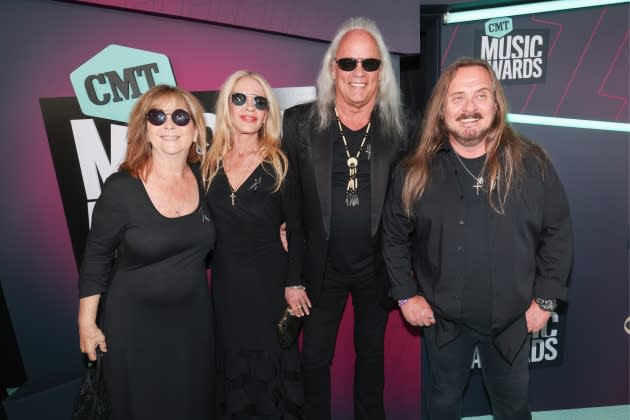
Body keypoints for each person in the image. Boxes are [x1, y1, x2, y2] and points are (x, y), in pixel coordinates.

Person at [382, 57, 573, 420]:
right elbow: (393, 237)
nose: (469, 108)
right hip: (444, 322)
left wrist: (546, 299)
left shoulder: (532, 164)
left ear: (496, 103)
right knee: (442, 404)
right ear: (442, 109)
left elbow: (558, 232)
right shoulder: (415, 172)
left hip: (512, 320)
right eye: (457, 97)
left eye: (480, 95)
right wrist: (405, 296)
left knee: (513, 408)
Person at [282, 17, 415, 420]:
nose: (359, 73)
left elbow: (418, 199)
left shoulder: (404, 125)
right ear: (332, 68)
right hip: (321, 268)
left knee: (372, 358)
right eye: (349, 63)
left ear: (381, 73)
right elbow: (288, 202)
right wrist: (291, 273)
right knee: (314, 359)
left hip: (377, 268)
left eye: (370, 64)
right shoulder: (299, 123)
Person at [77, 85, 215, 420]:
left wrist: (280, 231)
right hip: (134, 328)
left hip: (193, 324)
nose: (169, 124)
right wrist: (87, 322)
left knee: (193, 405)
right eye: (158, 116)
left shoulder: (206, 179)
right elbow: (96, 256)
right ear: (146, 129)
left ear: (196, 129)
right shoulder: (121, 188)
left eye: (180, 117)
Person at [201, 70, 306, 419]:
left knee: (270, 372)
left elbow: (299, 228)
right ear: (226, 105)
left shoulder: (281, 164)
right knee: (230, 367)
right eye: (240, 98)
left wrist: (294, 282)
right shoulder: (207, 165)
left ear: (267, 113)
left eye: (259, 101)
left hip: (269, 287)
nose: (250, 107)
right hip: (225, 289)